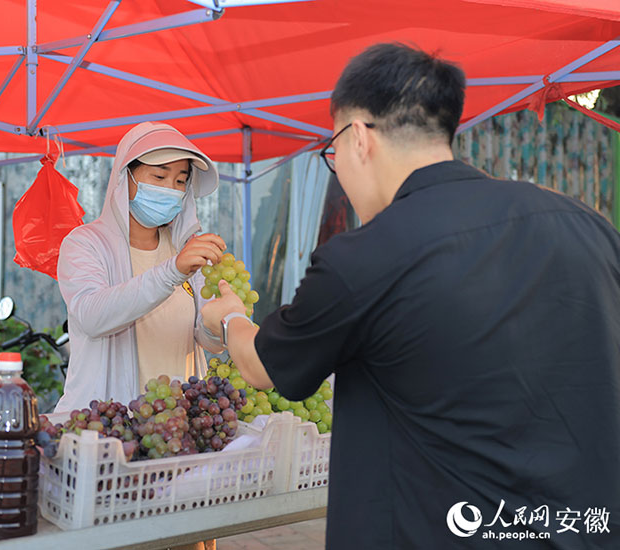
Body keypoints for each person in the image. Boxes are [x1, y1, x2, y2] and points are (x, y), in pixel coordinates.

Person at [201, 43, 620, 548]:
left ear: (358, 137)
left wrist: (229, 319)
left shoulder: (366, 255)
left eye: (332, 153)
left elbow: (265, 366)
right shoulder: (586, 226)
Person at [55, 121, 225, 414]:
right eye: (159, 176)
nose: (171, 189)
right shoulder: (85, 244)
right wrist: (172, 271)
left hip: (175, 427)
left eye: (181, 181)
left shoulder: (185, 248)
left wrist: (218, 323)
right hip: (110, 427)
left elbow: (207, 341)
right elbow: (92, 316)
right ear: (125, 178)